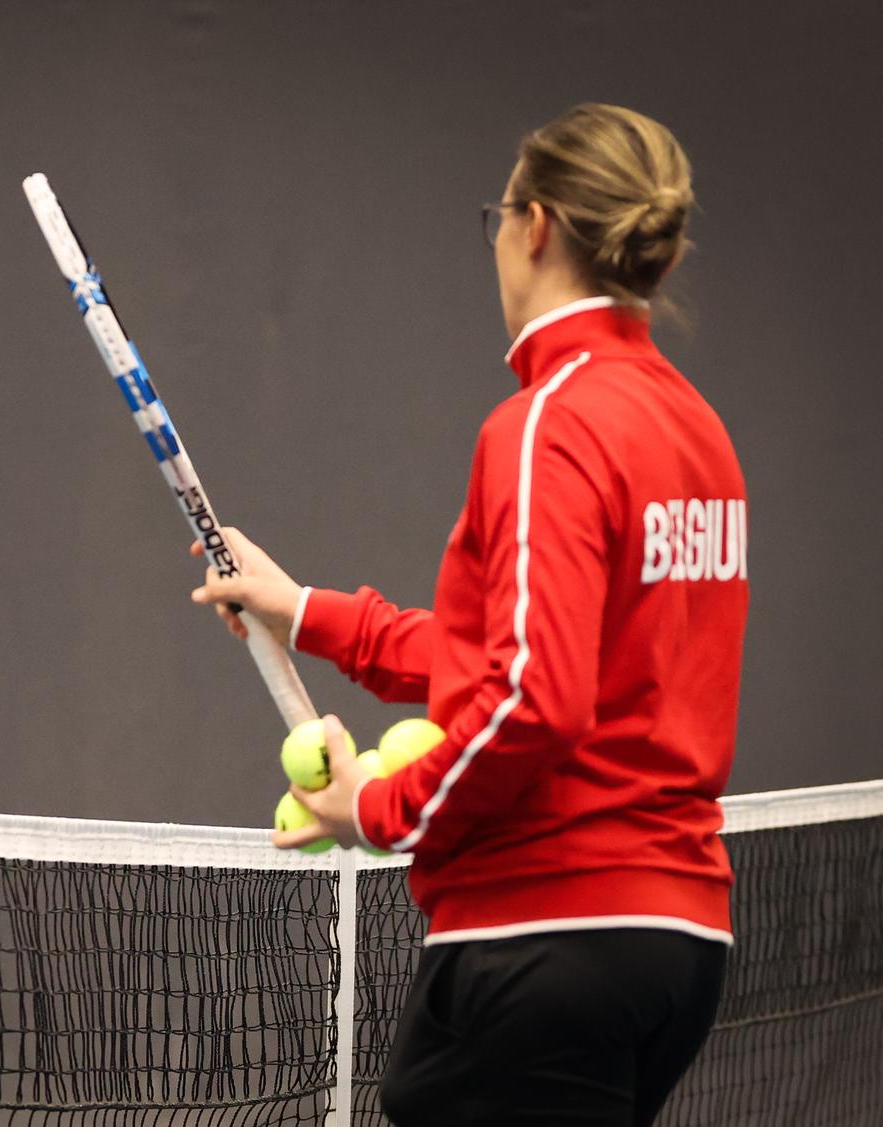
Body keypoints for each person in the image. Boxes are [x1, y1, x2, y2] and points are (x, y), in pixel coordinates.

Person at [191, 104, 746, 1126]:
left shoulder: (547, 423)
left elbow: (535, 695)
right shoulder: (696, 430)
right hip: (675, 946)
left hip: (545, 935)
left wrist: (377, 808)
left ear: (533, 226)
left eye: (497, 214)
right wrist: (309, 611)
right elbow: (527, 656)